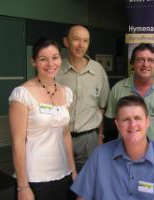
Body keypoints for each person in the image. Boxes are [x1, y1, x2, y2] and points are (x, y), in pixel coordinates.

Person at [71, 95, 154, 200]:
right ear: (117, 124)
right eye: (126, 120)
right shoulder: (100, 156)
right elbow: (83, 197)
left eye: (137, 118)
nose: (132, 125)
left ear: (147, 121)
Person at [9, 37, 76, 200]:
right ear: (34, 62)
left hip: (63, 172)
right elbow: (18, 142)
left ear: (61, 59)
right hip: (35, 177)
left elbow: (65, 134)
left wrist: (73, 170)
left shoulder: (66, 92)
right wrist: (23, 186)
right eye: (43, 59)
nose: (50, 64)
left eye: (55, 57)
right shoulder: (22, 93)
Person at [105, 43, 154, 146]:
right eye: (140, 60)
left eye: (150, 60)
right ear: (132, 63)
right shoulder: (118, 89)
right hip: (125, 152)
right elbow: (113, 119)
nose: (145, 64)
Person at [56, 25, 110, 172]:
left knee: (86, 186)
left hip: (88, 140)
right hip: (58, 138)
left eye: (85, 41)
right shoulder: (56, 69)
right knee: (60, 183)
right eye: (76, 40)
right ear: (66, 42)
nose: (81, 45)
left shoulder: (98, 70)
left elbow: (101, 107)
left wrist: (100, 135)